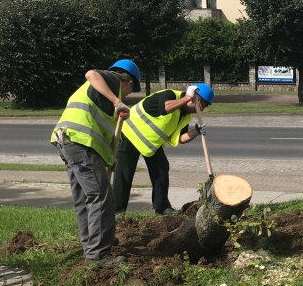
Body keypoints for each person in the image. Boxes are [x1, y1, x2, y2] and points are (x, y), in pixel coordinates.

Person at [51, 60, 139, 268]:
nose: (126, 96)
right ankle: (98, 254)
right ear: (130, 83)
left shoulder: (102, 98)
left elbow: (104, 136)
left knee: (84, 197)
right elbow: (91, 73)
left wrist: (110, 160)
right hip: (79, 145)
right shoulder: (112, 80)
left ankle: (92, 242)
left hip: (67, 142)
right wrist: (117, 100)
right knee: (101, 197)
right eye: (129, 92)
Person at [113, 83, 214, 215]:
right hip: (129, 134)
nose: (200, 110)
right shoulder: (169, 94)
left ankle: (161, 208)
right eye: (201, 105)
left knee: (161, 168)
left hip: (149, 143)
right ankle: (117, 211)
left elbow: (180, 138)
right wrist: (187, 98)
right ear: (195, 98)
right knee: (124, 174)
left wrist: (195, 132)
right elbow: (164, 108)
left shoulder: (185, 115)